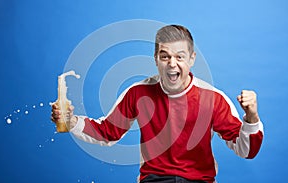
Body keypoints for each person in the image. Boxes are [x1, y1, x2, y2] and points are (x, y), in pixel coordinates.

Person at [51, 25, 264, 183]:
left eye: (180, 57)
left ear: (192, 59)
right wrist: (71, 121)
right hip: (155, 179)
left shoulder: (212, 98)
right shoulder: (138, 93)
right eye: (165, 56)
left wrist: (252, 117)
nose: (172, 64)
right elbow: (108, 133)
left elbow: (246, 150)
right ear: (155, 59)